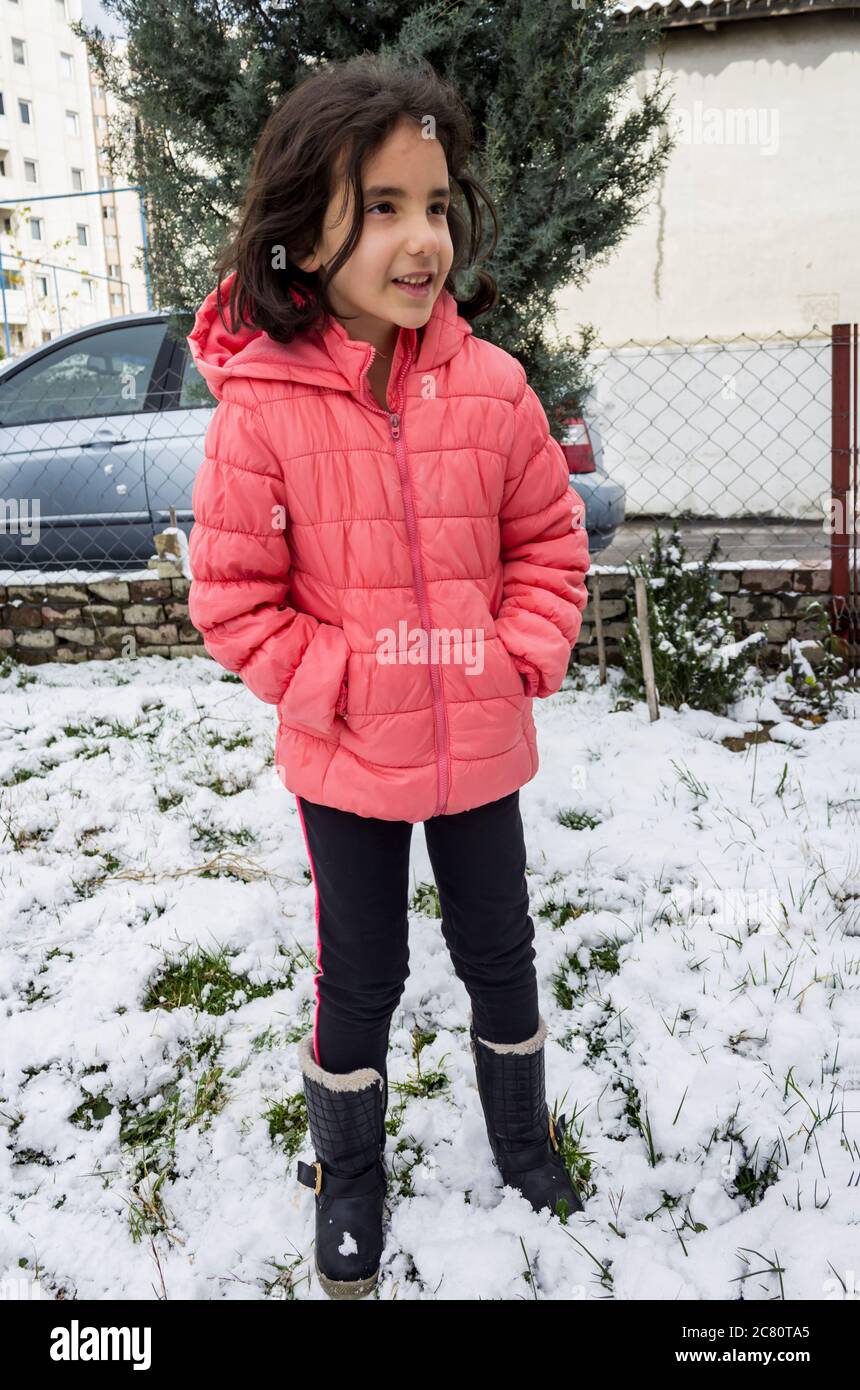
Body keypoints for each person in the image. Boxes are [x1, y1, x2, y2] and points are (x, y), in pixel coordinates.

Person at [186, 51, 590, 1300]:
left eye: (433, 203)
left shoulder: (493, 387)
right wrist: (344, 684)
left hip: (477, 743)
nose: (421, 238)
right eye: (380, 207)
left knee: (500, 950)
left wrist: (515, 652)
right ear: (300, 236)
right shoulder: (258, 412)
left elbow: (547, 543)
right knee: (360, 974)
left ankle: (521, 1140)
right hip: (347, 758)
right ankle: (347, 1178)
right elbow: (235, 601)